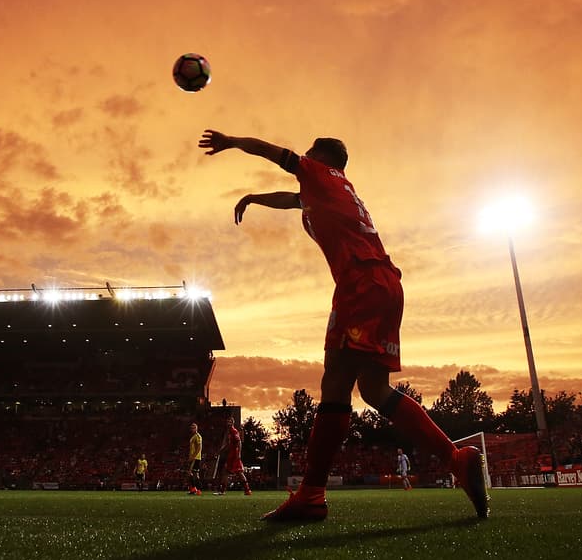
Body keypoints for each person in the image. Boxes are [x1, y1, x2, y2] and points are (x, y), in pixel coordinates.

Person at [198, 129, 487, 521]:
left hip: (360, 284)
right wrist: (254, 198)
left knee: (335, 382)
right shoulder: (335, 189)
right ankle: (456, 459)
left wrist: (232, 141)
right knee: (373, 388)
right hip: (385, 283)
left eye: (311, 151)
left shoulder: (318, 173)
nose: (305, 154)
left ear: (322, 157)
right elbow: (294, 201)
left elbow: (272, 152)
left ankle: (311, 495)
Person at [218, 417, 252, 496]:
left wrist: (239, 454)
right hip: (231, 454)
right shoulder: (229, 432)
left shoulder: (234, 431)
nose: (228, 423)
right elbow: (228, 444)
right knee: (235, 472)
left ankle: (223, 491)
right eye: (227, 422)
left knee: (233, 472)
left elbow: (239, 442)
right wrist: (221, 450)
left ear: (233, 423)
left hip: (234, 455)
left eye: (230, 422)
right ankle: (247, 490)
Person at [186, 421, 203, 496]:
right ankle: (193, 489)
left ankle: (199, 490)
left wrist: (193, 457)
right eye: (191, 427)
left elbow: (199, 447)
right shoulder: (193, 437)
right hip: (192, 458)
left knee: (195, 474)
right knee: (190, 474)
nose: (192, 428)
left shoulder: (198, 436)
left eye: (194, 427)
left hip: (196, 458)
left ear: (196, 428)